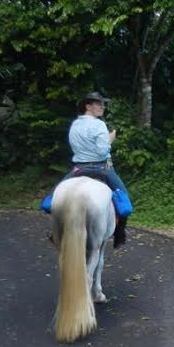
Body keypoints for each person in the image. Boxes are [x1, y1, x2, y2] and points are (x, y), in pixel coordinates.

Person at [62, 91, 130, 247]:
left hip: (78, 169)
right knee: (124, 196)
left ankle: (57, 232)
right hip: (102, 167)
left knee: (54, 197)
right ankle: (119, 234)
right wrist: (110, 140)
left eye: (103, 104)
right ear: (88, 106)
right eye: (98, 104)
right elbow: (102, 151)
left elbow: (74, 146)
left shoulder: (75, 124)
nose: (103, 107)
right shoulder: (99, 124)